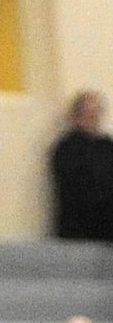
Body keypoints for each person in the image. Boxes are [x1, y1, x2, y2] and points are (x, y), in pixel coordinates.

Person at [50, 91, 113, 243]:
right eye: (88, 113)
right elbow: (74, 188)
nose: (93, 118)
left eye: (96, 113)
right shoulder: (66, 148)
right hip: (77, 229)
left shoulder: (106, 145)